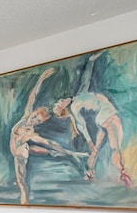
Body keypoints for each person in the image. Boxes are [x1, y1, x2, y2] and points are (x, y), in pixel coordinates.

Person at [10, 68, 88, 204]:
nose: (33, 120)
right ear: (34, 112)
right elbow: (32, 95)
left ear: (40, 123)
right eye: (35, 116)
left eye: (37, 121)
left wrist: (68, 152)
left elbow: (47, 141)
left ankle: (57, 153)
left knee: (22, 183)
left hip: (20, 153)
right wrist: (41, 78)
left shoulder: (31, 133)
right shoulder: (26, 116)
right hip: (19, 147)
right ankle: (54, 153)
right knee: (23, 173)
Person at [52, 52, 131, 187]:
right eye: (59, 105)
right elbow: (81, 125)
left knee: (97, 150)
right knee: (114, 147)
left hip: (103, 118)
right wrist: (89, 141)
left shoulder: (77, 97)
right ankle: (122, 172)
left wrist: (90, 61)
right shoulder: (74, 109)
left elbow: (85, 79)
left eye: (58, 101)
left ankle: (90, 173)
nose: (60, 100)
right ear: (63, 110)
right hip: (105, 116)